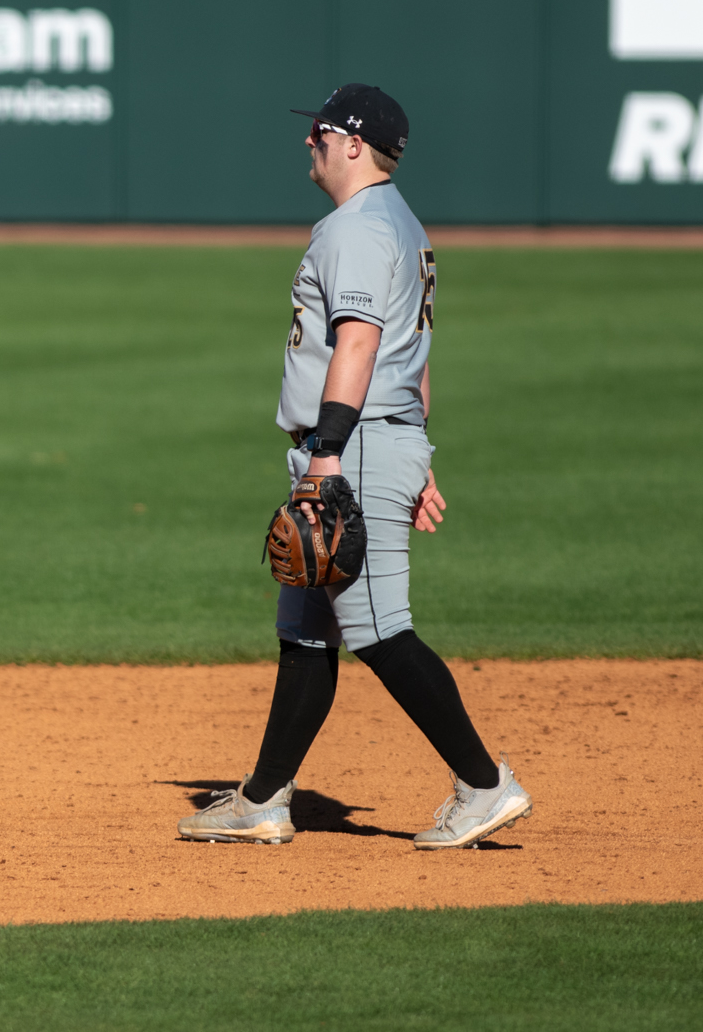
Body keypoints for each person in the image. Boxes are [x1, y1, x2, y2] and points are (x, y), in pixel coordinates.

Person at [179, 83, 534, 850]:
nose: (307, 144)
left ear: (348, 143)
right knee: (307, 631)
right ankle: (266, 797)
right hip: (377, 435)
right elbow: (417, 356)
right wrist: (419, 453)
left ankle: (483, 783)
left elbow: (363, 344)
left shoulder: (359, 227)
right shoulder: (400, 224)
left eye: (317, 133)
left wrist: (330, 457)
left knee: (379, 630)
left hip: (355, 441)